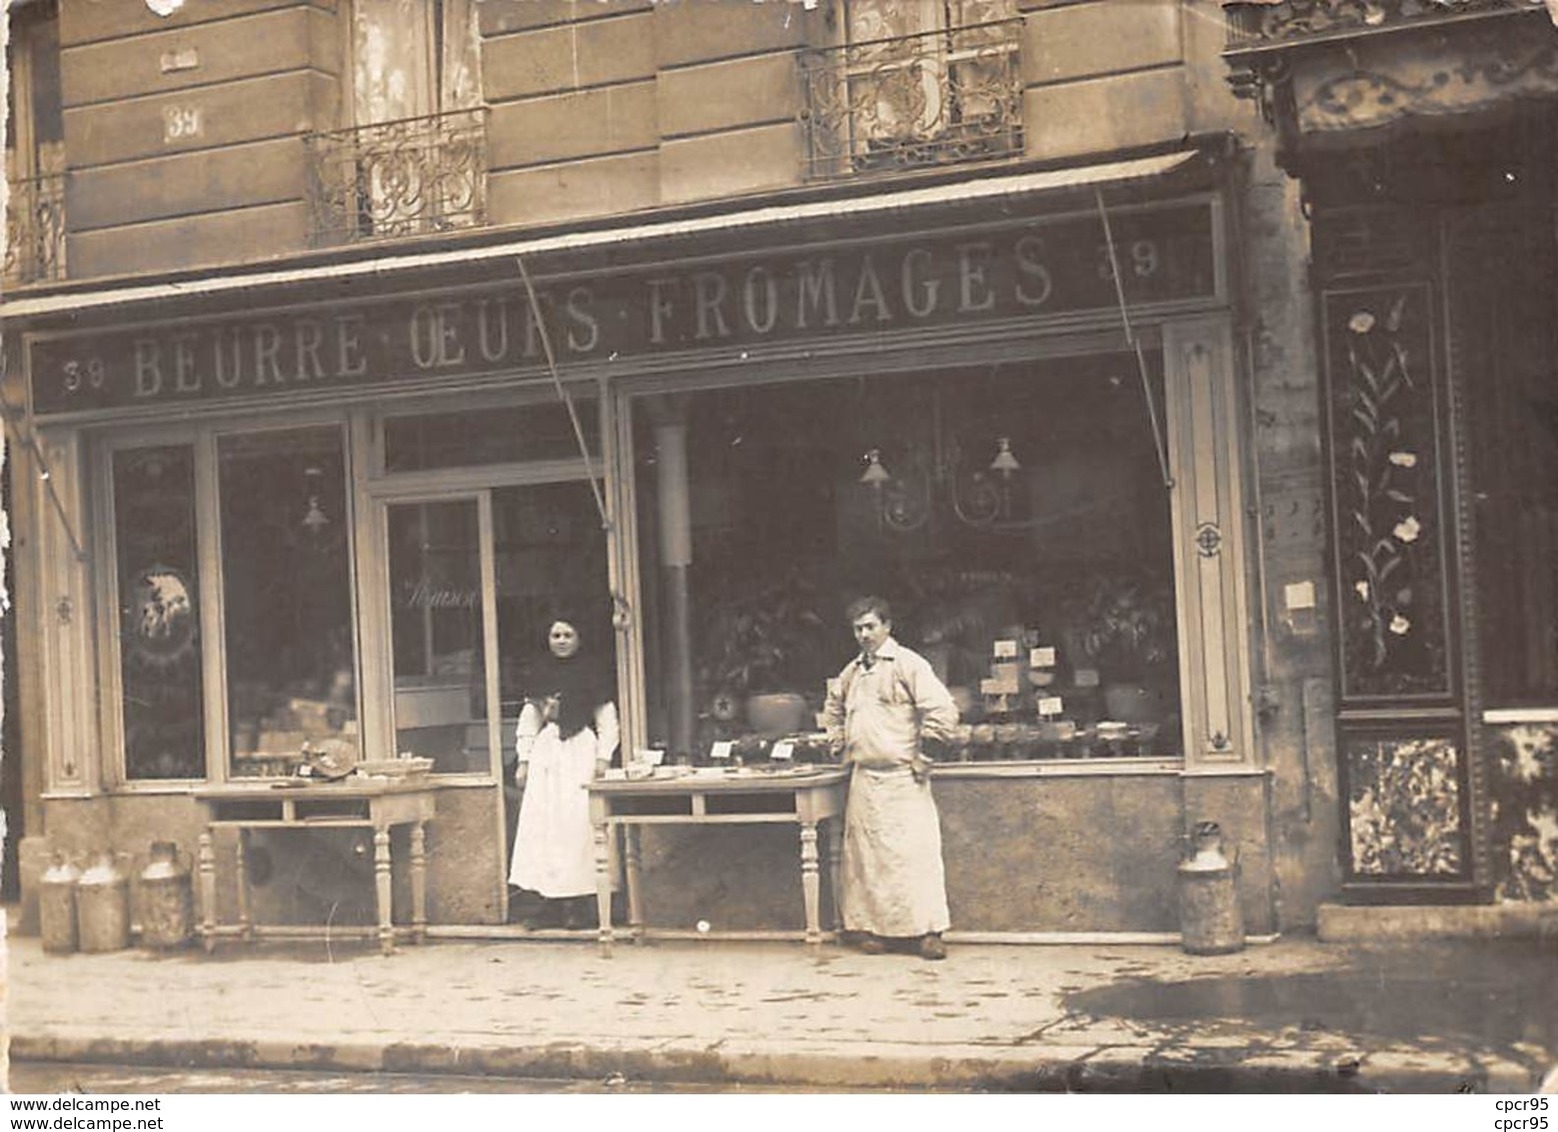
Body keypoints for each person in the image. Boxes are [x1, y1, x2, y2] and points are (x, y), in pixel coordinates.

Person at [823, 595, 959, 960]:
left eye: (870, 626)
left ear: (887, 626)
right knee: (868, 862)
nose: (864, 634)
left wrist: (925, 756)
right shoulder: (851, 672)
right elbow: (832, 711)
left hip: (903, 778)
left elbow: (942, 710)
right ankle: (874, 931)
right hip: (865, 779)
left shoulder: (909, 664)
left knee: (915, 857)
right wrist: (839, 743)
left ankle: (928, 933)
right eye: (858, 628)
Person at [509, 617, 619, 930]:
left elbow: (606, 719)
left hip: (580, 750)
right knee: (546, 824)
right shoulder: (539, 673)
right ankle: (550, 902)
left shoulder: (591, 672)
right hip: (548, 752)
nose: (561, 640)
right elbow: (529, 720)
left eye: (568, 634)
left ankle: (578, 904)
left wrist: (603, 758)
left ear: (579, 638)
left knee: (577, 823)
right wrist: (524, 759)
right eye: (555, 634)